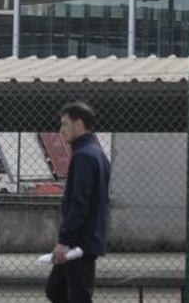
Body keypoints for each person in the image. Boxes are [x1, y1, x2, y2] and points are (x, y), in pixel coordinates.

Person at [46, 101, 111, 303]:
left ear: (79, 124)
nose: (61, 130)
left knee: (78, 296)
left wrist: (65, 241)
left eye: (65, 124)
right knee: (55, 290)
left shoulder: (83, 156)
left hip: (78, 244)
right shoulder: (98, 154)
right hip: (86, 239)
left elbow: (78, 202)